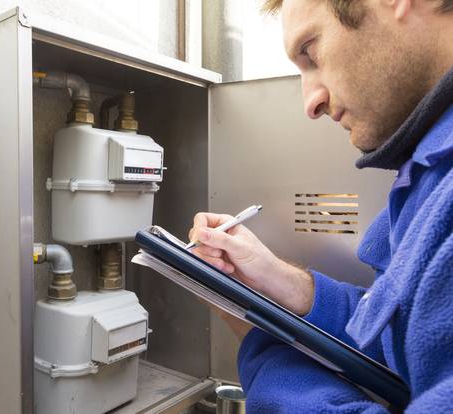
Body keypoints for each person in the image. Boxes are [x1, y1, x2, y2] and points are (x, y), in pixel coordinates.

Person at [188, 0, 453, 412]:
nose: (310, 103)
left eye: (310, 51)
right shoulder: (430, 172)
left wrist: (257, 337)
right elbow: (402, 335)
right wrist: (272, 280)